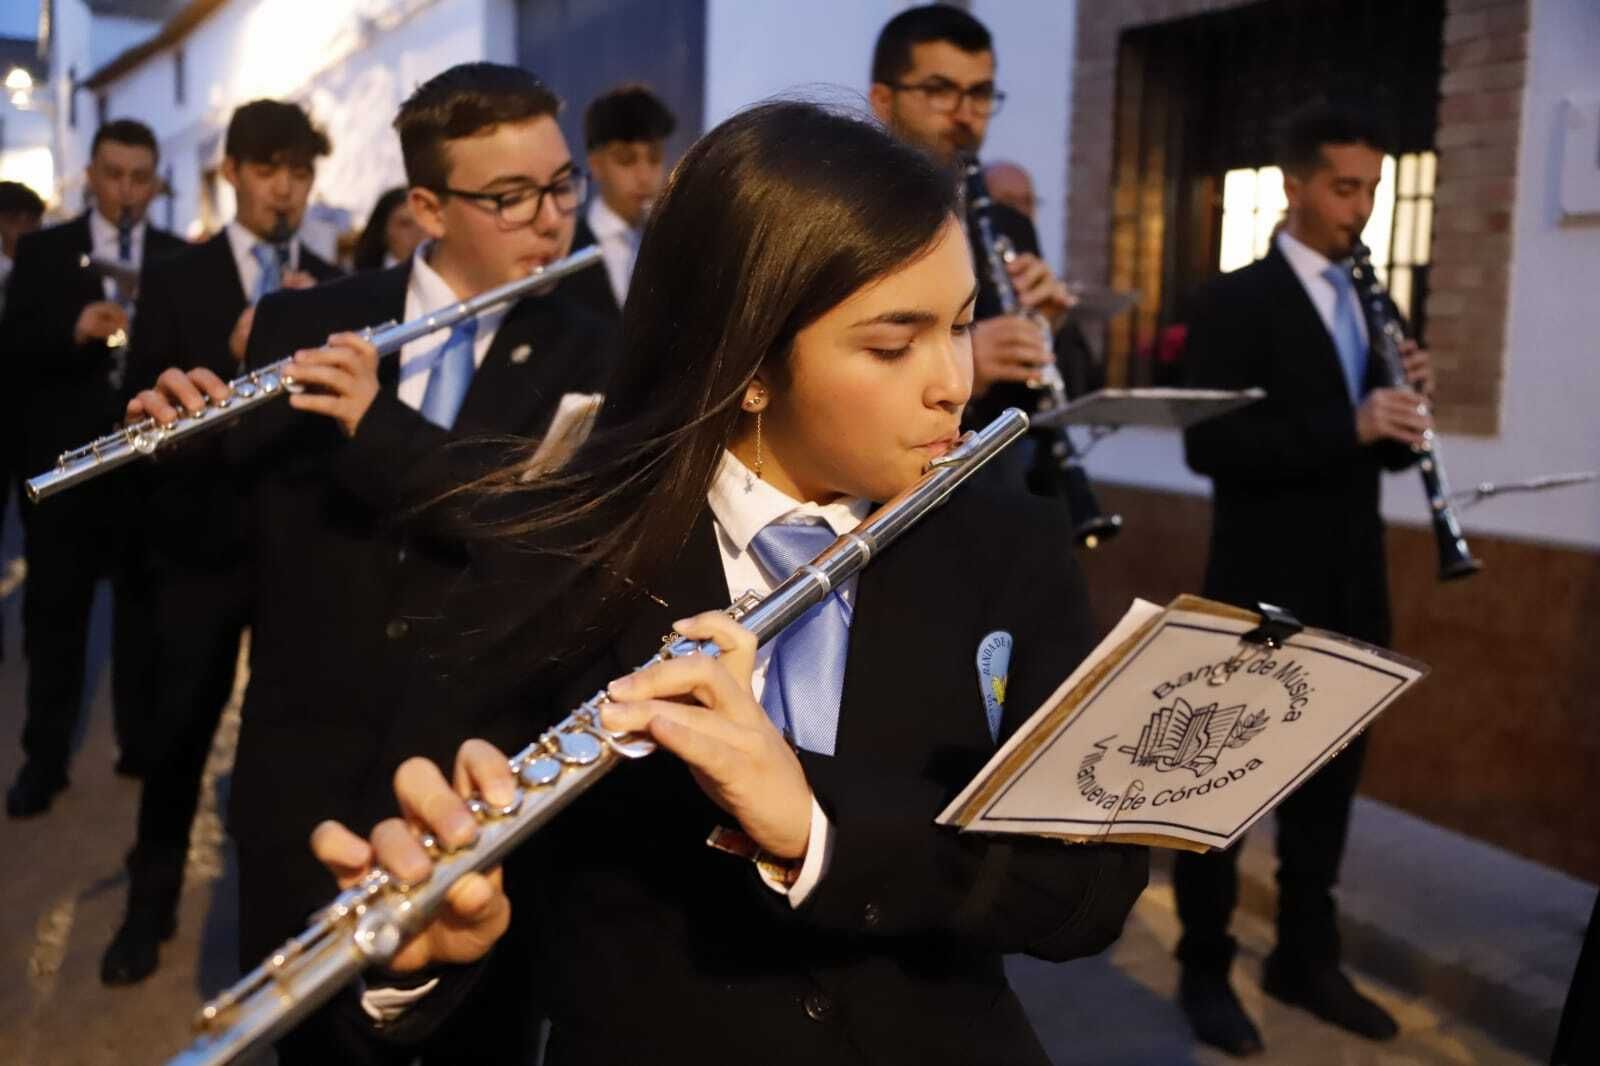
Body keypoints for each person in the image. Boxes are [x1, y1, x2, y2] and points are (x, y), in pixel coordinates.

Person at [264, 100, 1148, 1065]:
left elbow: (1090, 892)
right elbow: (439, 909)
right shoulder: (553, 553)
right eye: (894, 346)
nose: (954, 383)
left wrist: (819, 830)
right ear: (749, 363)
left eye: (964, 324)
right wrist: (414, 969)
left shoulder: (1006, 536)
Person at [128, 61, 616, 1064]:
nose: (550, 217)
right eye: (511, 196)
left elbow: (538, 537)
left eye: (561, 184)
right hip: (303, 783)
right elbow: (239, 538)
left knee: (476, 1044)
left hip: (474, 789)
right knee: (312, 1049)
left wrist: (376, 424)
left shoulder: (598, 348)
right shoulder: (307, 321)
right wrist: (181, 447)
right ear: (429, 207)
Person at [1177, 100, 1435, 1055]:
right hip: (1260, 583)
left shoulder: (1376, 298)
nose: (1359, 208)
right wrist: (1351, 424)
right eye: (1343, 187)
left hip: (1353, 578)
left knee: (1330, 786)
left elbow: (1388, 454)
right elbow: (1210, 446)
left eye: (1371, 189)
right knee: (1223, 784)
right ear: (1294, 186)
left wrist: (1407, 412)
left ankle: (1304, 957)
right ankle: (1204, 965)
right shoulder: (1233, 299)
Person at [100, 98, 341, 987]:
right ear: (231, 172)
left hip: (296, 555)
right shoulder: (179, 276)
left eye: (300, 173)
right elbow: (137, 425)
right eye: (268, 170)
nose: (285, 190)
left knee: (286, 750)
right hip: (198, 546)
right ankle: (149, 906)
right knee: (178, 739)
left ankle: (289, 917)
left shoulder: (333, 280)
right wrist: (243, 364)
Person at [0, 119, 186, 817]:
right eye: (114, 175)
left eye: (140, 178)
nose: (126, 191)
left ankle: (138, 743)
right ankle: (43, 760)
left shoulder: (175, 255)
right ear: (90, 175)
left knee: (144, 623)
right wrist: (71, 331)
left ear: (155, 182)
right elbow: (10, 349)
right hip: (67, 474)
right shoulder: (45, 251)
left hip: (145, 478)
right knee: (54, 625)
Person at [564, 83, 677, 320]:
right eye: (626, 159)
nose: (644, 176)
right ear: (596, 165)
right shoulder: (567, 247)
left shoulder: (673, 243)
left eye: (654, 158)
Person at [353, 186, 425, 271]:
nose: (419, 233)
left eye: (424, 223)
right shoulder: (359, 277)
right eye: (405, 224)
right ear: (382, 231)